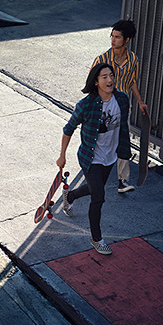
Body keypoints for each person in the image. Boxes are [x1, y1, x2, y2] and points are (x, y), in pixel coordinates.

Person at [57, 63, 131, 255]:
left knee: (92, 188)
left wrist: (124, 154)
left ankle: (70, 195)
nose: (109, 80)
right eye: (104, 77)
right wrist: (62, 156)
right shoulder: (86, 105)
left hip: (110, 157)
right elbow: (68, 129)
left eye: (111, 76)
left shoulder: (122, 100)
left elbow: (123, 128)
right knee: (98, 196)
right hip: (91, 158)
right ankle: (97, 239)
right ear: (96, 81)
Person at [92, 19, 147, 194]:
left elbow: (132, 82)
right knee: (101, 140)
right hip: (104, 107)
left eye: (117, 37)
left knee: (123, 140)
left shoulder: (133, 60)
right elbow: (92, 83)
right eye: (112, 36)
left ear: (127, 39)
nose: (113, 40)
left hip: (123, 107)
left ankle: (123, 180)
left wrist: (139, 101)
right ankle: (94, 170)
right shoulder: (102, 60)